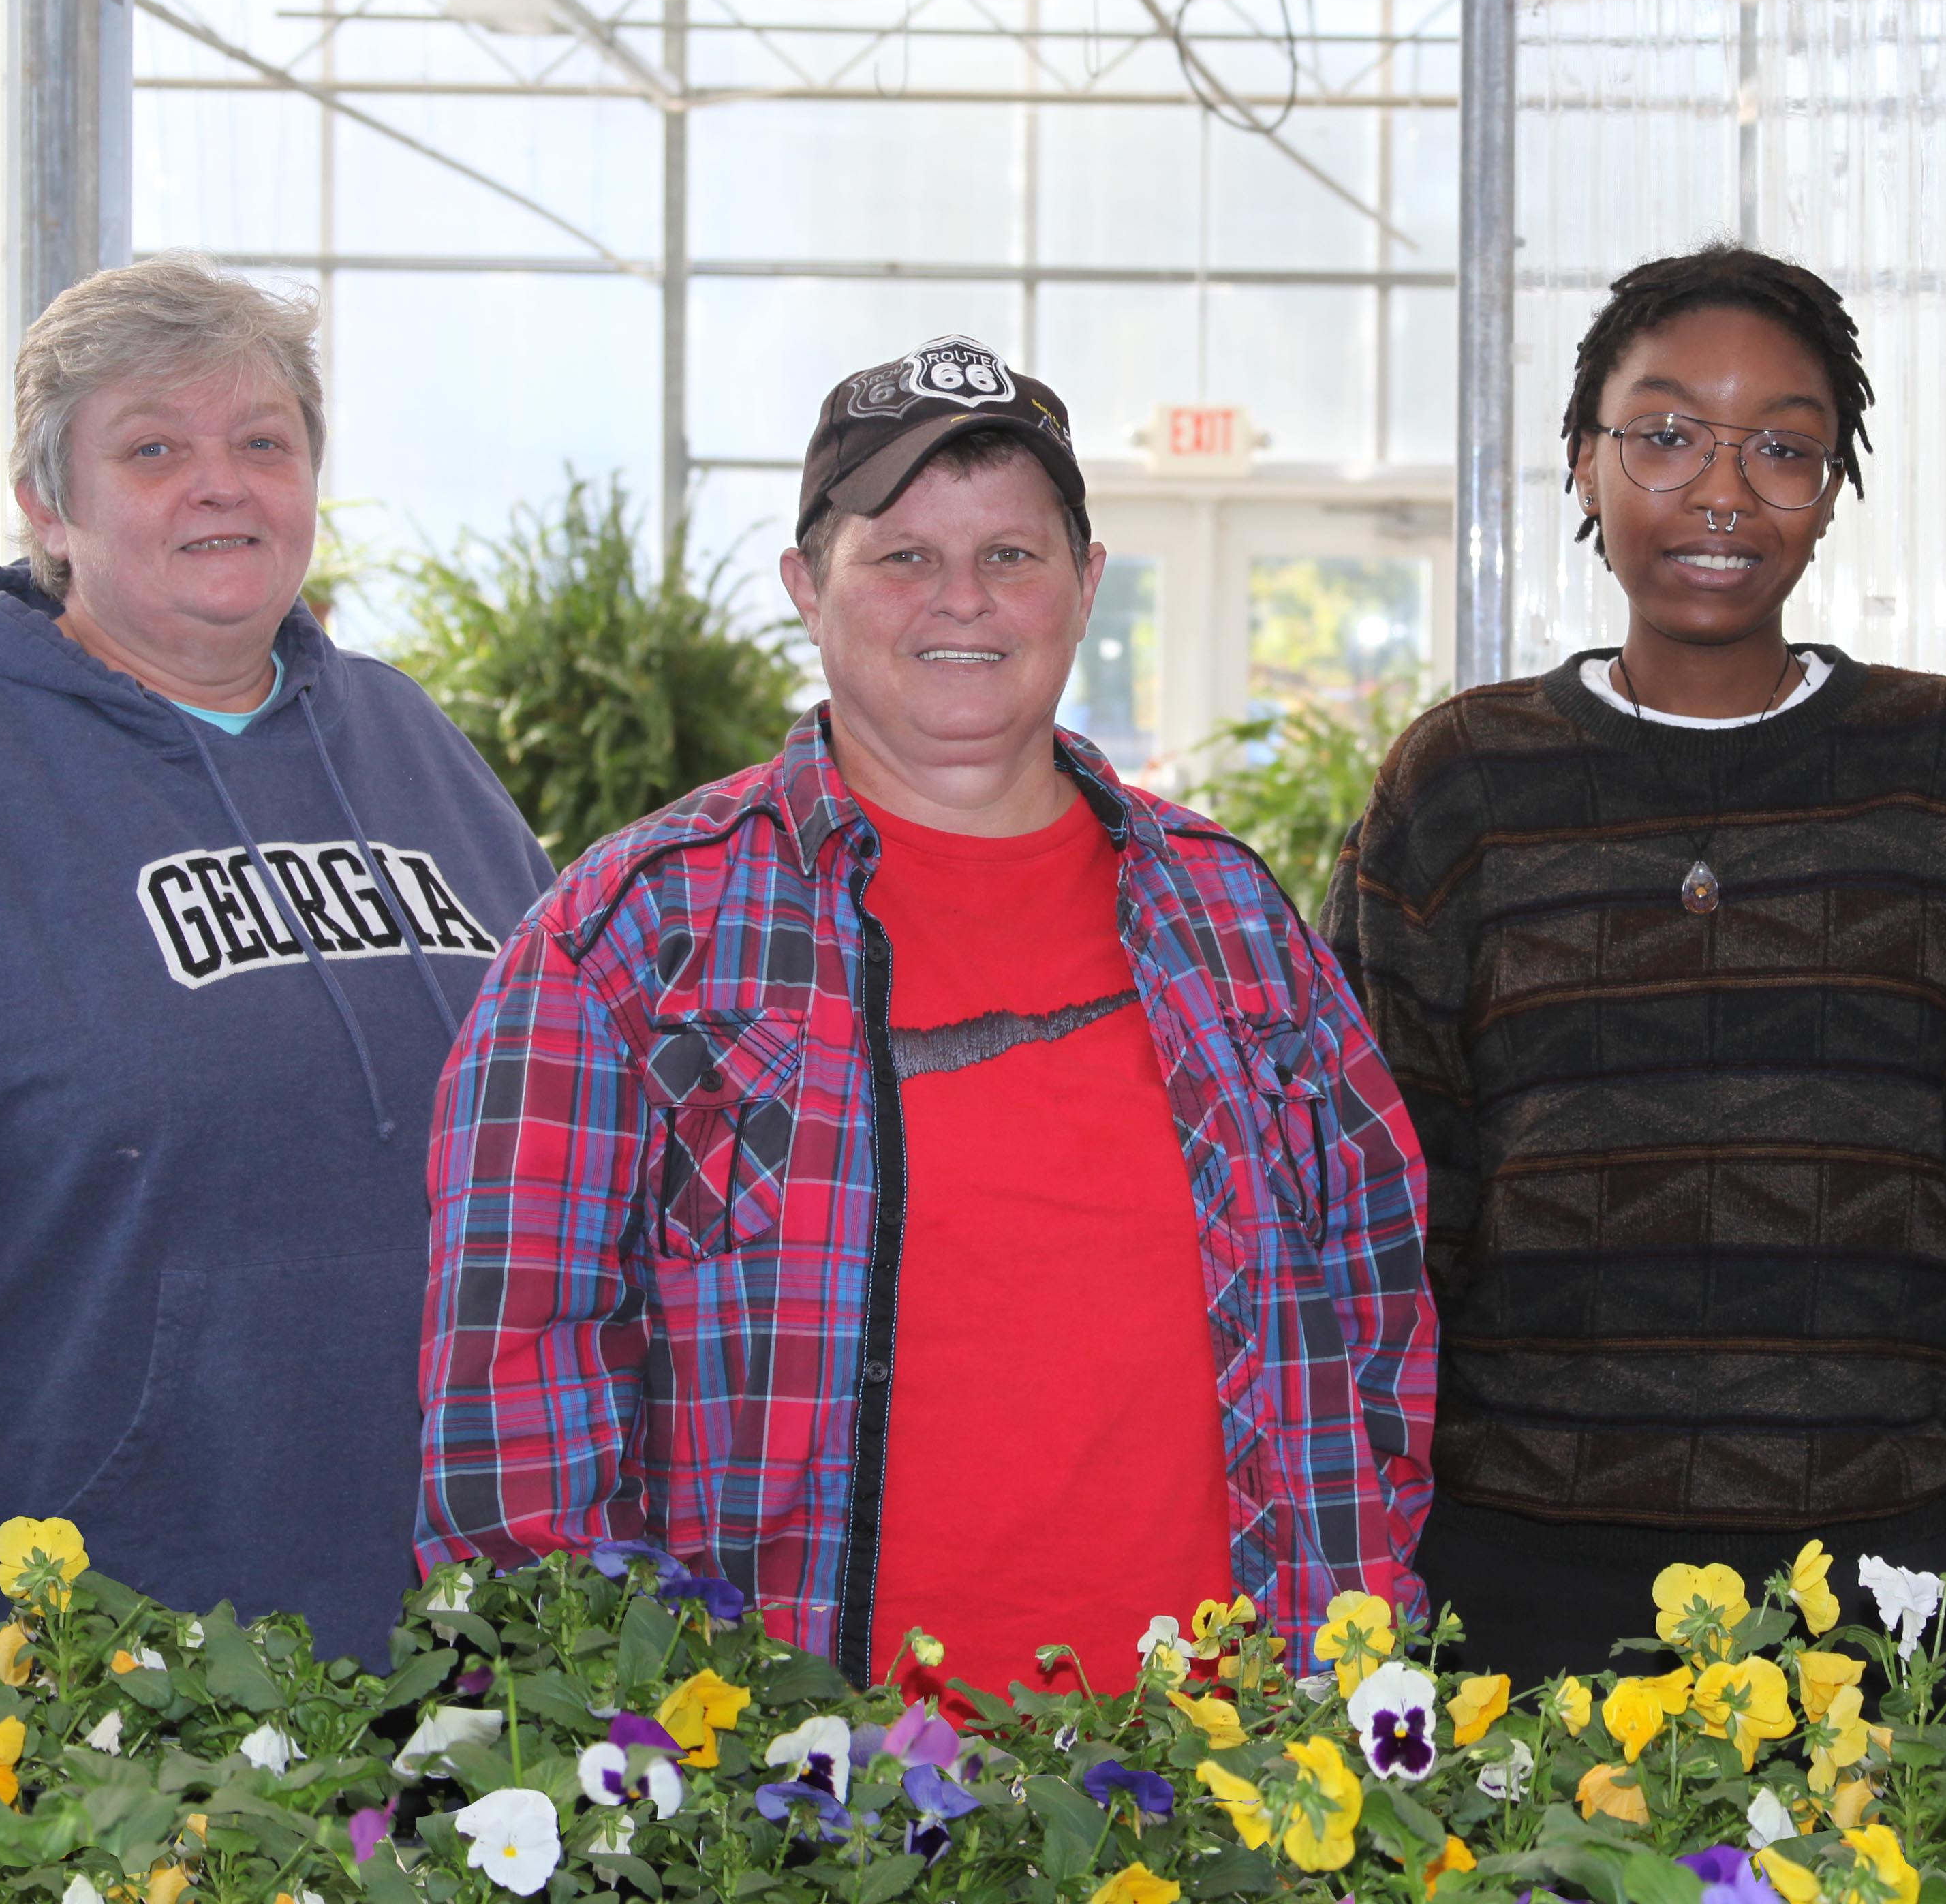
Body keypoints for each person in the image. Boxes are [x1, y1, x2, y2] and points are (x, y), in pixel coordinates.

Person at [413, 336, 1436, 1700]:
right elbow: (514, 1400)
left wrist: (1351, 1614)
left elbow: (1375, 1298)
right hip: (805, 1821)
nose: (963, 598)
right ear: (805, 588)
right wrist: (641, 1761)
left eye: (1012, 553)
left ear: (1084, 585)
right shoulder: (630, 943)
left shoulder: (1233, 922)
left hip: (1227, 1794)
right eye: (900, 556)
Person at [0, 254, 555, 1660]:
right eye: (153, 447)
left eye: (261, 443)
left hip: (457, 1650)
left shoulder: (413, 751)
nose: (220, 484)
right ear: (50, 504)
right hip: (95, 1673)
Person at [1320, 247, 1946, 1689]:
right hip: (1512, 1575)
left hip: (1875, 1574)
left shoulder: (1940, 769)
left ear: (1833, 486)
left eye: (1783, 449)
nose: (1721, 492)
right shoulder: (1463, 782)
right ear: (1583, 464)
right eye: (1667, 435)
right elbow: (1376, 1195)